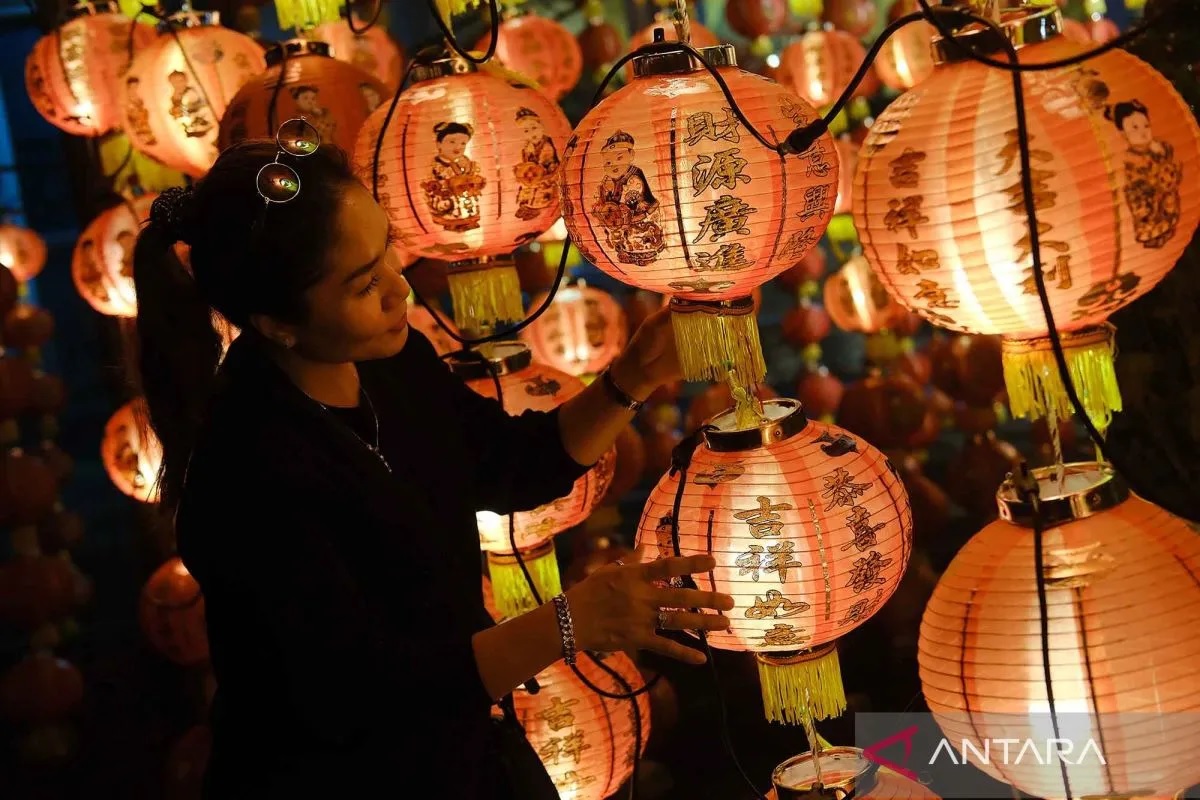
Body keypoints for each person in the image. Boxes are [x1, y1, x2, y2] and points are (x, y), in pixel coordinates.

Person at [131, 125, 733, 799]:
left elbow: (511, 465)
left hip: (458, 752)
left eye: (390, 255)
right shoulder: (245, 473)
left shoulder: (391, 366)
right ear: (277, 323)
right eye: (365, 284)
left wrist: (632, 378)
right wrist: (569, 622)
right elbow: (358, 694)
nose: (401, 292)